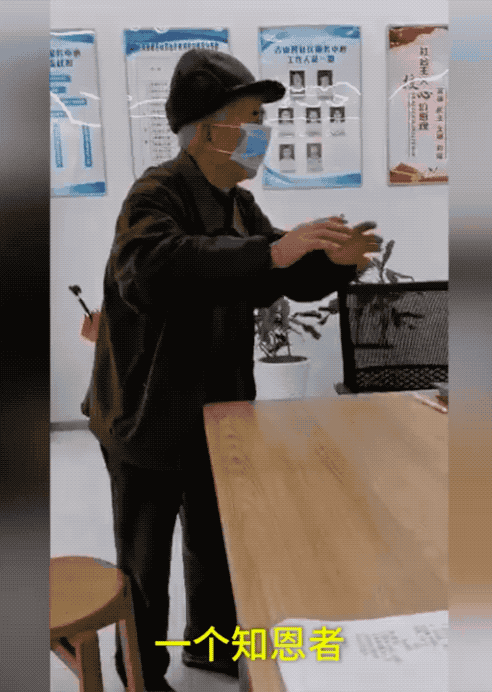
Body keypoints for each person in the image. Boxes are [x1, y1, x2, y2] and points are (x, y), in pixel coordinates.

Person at [81, 49, 381, 692]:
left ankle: (210, 648)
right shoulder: (155, 193)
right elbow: (152, 270)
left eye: (261, 119)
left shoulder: (238, 204)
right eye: (250, 118)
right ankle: (141, 675)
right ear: (205, 130)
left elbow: (277, 274)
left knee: (215, 543)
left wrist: (337, 265)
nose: (261, 133)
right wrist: (273, 253)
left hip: (215, 411)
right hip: (145, 414)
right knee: (144, 560)